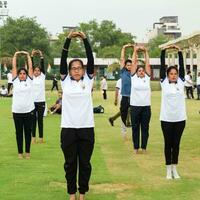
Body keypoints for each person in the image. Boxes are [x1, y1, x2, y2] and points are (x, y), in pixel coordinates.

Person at [60, 31, 95, 200]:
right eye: (73, 68)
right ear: (69, 70)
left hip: (86, 128)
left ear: (83, 70)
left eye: (79, 68)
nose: (76, 71)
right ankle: (71, 193)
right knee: (70, 164)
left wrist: (85, 40)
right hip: (68, 129)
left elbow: (90, 57)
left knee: (85, 164)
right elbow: (62, 60)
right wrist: (68, 40)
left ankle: (82, 193)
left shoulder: (88, 80)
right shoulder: (65, 81)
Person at [160, 45, 186, 179]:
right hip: (166, 119)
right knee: (168, 144)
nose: (174, 76)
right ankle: (168, 170)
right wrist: (163, 51)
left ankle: (175, 169)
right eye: (171, 74)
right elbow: (161, 64)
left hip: (180, 119)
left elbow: (181, 66)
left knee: (176, 144)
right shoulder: (163, 82)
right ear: (167, 75)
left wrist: (180, 51)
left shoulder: (181, 82)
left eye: (175, 74)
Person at [12, 51, 34, 159]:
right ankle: (20, 153)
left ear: (26, 75)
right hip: (17, 112)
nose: (22, 75)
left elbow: (30, 67)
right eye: (20, 73)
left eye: (23, 73)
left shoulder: (29, 81)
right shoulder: (15, 81)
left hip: (28, 112)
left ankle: (28, 152)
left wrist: (28, 56)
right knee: (19, 133)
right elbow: (14, 67)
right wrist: (15, 55)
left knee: (27, 133)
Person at [130, 46, 151, 154]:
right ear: (136, 72)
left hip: (146, 107)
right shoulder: (133, 78)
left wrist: (146, 51)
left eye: (143, 70)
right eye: (139, 70)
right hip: (135, 106)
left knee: (145, 128)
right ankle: (135, 147)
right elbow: (133, 63)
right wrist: (135, 51)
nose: (141, 71)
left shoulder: (147, 78)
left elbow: (147, 63)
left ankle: (144, 147)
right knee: (135, 128)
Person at [31, 49, 46, 144]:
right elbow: (30, 66)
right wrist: (31, 56)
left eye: (38, 70)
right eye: (35, 70)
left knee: (40, 120)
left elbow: (43, 66)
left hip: (41, 102)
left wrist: (41, 56)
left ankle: (41, 138)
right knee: (33, 121)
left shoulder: (42, 76)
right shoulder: (31, 77)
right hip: (32, 102)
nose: (36, 72)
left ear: (40, 72)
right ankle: (33, 138)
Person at [120, 44, 134, 126]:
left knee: (134, 113)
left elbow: (135, 60)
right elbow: (122, 59)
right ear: (125, 66)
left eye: (130, 65)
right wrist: (124, 48)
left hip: (133, 96)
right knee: (123, 111)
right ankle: (125, 123)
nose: (129, 66)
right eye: (128, 65)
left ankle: (132, 123)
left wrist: (135, 49)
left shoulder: (134, 73)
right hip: (125, 96)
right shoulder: (123, 72)